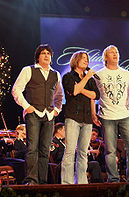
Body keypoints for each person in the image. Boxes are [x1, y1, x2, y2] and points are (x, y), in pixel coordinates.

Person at [12, 44, 63, 185]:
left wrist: (56, 110)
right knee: (32, 148)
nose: (46, 55)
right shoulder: (28, 70)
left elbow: (59, 95)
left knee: (45, 149)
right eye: (43, 53)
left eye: (48, 53)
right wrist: (27, 106)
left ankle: (42, 181)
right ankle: (31, 180)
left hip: (48, 115)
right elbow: (16, 89)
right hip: (33, 113)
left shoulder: (56, 74)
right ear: (38, 56)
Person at [91, 45, 129, 182]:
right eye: (111, 52)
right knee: (110, 150)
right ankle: (113, 179)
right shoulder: (99, 74)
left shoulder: (126, 73)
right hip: (107, 117)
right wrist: (94, 114)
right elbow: (93, 96)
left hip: (124, 116)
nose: (115, 54)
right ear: (105, 57)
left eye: (116, 52)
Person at [61, 51, 100, 184]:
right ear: (75, 60)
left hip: (87, 119)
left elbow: (95, 96)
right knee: (70, 151)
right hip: (73, 118)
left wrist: (94, 115)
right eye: (83, 58)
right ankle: (67, 183)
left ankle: (82, 182)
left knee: (83, 153)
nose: (86, 61)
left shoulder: (91, 80)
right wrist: (83, 82)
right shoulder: (68, 77)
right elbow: (74, 91)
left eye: (87, 59)